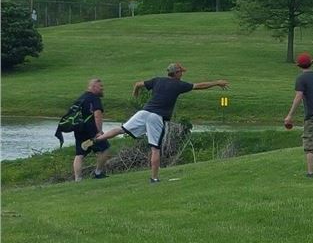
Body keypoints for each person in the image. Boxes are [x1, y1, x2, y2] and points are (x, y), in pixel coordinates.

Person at [82, 63, 229, 183]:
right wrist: (217, 83)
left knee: (121, 129)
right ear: (176, 73)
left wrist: (135, 94)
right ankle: (154, 178)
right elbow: (199, 86)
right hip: (156, 118)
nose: (182, 74)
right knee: (155, 149)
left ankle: (96, 139)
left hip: (143, 113)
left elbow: (138, 84)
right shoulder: (179, 85)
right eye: (181, 72)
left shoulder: (157, 80)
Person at [284, 53, 313, 178]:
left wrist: (289, 116)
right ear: (311, 64)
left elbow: (298, 97)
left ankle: (310, 173)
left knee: (309, 144)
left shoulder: (301, 79)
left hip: (312, 115)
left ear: (299, 66)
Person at [73, 78, 110, 181]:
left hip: (79, 129)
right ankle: (98, 173)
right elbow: (97, 115)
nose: (102, 88)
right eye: (100, 87)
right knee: (105, 149)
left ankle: (78, 179)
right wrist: (99, 131)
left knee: (79, 154)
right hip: (91, 130)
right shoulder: (94, 98)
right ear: (94, 87)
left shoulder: (81, 98)